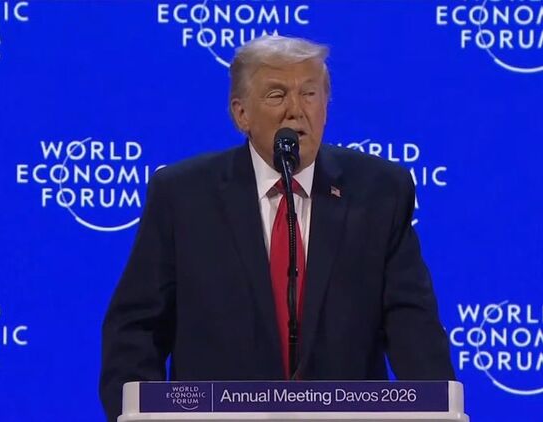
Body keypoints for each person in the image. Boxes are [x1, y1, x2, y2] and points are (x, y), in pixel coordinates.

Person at [99, 35, 454, 421]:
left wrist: (437, 411)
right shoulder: (183, 196)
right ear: (241, 114)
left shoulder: (379, 192)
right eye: (276, 95)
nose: (295, 111)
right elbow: (136, 329)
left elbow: (413, 326)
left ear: (326, 105)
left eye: (309, 93)